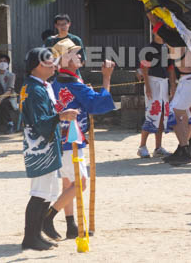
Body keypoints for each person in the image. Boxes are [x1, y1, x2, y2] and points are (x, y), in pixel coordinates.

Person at [43, 38, 116, 241]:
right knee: (80, 183)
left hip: (60, 137)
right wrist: (107, 78)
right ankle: (49, 216)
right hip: (71, 139)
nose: (80, 56)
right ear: (65, 60)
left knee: (69, 182)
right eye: (75, 53)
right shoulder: (73, 83)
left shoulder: (58, 81)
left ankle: (70, 224)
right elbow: (97, 104)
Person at [20, 47, 79, 251]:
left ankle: (36, 234)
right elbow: (40, 122)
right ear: (37, 65)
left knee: (48, 191)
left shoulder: (38, 86)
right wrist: (61, 117)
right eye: (49, 61)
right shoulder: (36, 89)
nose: (54, 65)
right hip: (40, 147)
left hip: (43, 145)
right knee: (40, 192)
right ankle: (30, 237)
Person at [137, 18, 172, 158]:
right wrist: (147, 86)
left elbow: (169, 67)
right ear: (154, 32)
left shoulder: (166, 47)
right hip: (152, 80)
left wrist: (172, 85)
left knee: (163, 114)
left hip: (164, 82)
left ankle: (158, 147)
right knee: (152, 112)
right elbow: (144, 68)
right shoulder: (148, 49)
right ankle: (142, 146)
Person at [0, 53, 18, 133]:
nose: (2, 63)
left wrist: (0, 99)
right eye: (0, 61)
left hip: (7, 98)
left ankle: (10, 123)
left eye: (5, 61)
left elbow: (9, 90)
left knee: (4, 104)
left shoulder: (11, 75)